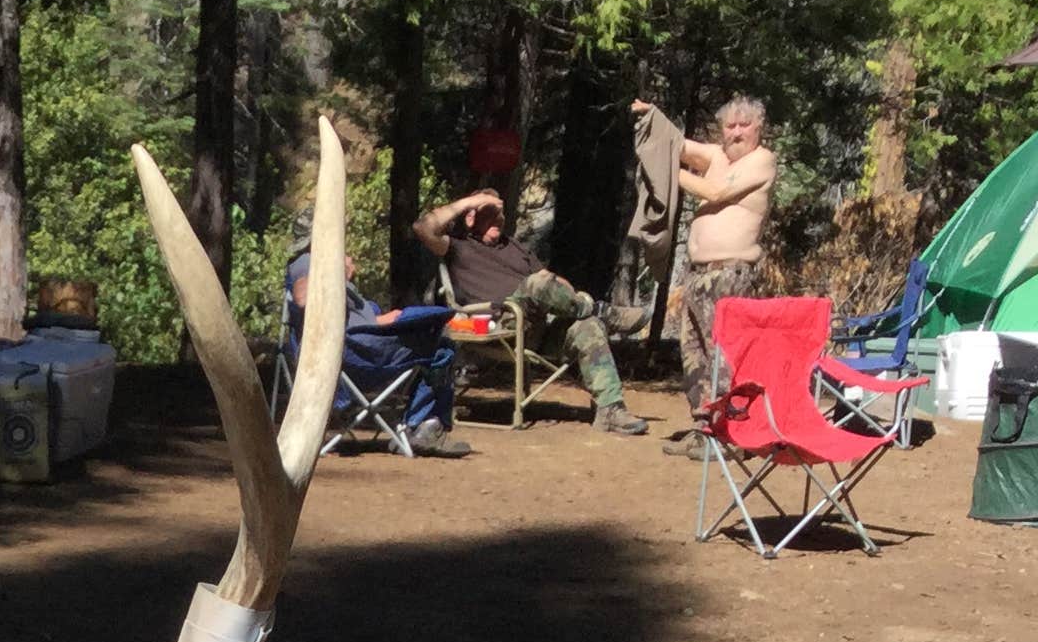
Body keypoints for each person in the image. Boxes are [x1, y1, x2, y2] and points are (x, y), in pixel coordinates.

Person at [410, 187, 648, 436]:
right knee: (536, 284)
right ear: (470, 217)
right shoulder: (457, 247)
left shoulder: (513, 246)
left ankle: (610, 409)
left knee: (587, 325)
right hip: (500, 325)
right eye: (490, 211)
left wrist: (572, 296)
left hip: (537, 329)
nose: (499, 218)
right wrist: (472, 201)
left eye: (501, 213)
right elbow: (422, 227)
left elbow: (551, 280)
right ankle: (602, 311)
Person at [637, 94, 776, 425]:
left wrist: (664, 171)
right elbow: (676, 145)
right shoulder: (716, 156)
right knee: (693, 355)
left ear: (759, 127)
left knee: (723, 355)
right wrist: (650, 117)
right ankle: (703, 428)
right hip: (697, 275)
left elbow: (715, 193)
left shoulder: (761, 160)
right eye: (730, 126)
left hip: (729, 275)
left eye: (745, 125)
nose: (737, 132)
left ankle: (730, 431)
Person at [282, 244, 468, 456]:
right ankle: (423, 427)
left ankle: (418, 427)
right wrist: (339, 271)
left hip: (361, 347)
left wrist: (388, 319)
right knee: (440, 347)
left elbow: (354, 319)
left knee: (433, 331)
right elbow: (303, 298)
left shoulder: (324, 261)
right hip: (353, 355)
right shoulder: (308, 259)